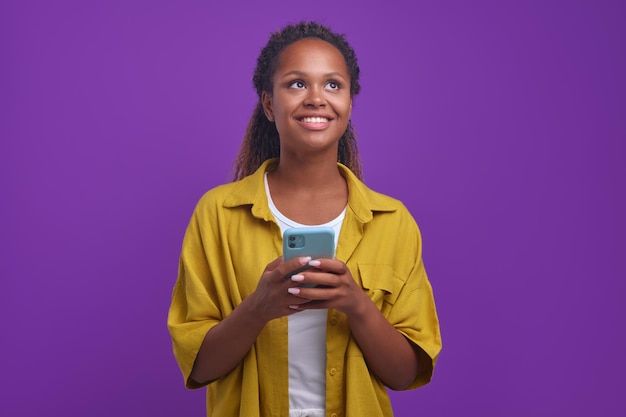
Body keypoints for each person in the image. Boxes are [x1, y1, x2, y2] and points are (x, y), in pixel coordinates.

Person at [167, 21, 442, 417]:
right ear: (268, 104)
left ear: (349, 103)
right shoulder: (217, 214)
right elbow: (200, 366)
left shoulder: (394, 222)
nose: (316, 98)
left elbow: (403, 375)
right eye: (297, 84)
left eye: (333, 85)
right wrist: (259, 307)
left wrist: (357, 306)